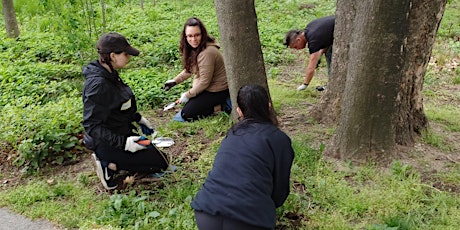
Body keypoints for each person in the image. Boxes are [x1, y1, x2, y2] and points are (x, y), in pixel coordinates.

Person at [191, 84, 295, 230]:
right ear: (269, 105)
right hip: (249, 218)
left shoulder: (232, 134)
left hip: (205, 212)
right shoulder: (279, 139)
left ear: (239, 111)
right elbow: (280, 190)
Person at [82, 32, 169, 190]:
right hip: (108, 142)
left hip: (121, 131)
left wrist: (137, 118)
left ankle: (115, 162)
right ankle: (107, 163)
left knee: (161, 157)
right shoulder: (98, 85)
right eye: (125, 54)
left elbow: (117, 105)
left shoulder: (110, 74)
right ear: (113, 56)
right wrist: (123, 143)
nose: (129, 57)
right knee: (161, 163)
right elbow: (91, 126)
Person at [163, 17, 230, 122]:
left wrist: (187, 94)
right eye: (190, 36)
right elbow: (189, 69)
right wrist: (175, 81)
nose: (193, 40)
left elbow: (204, 82)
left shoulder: (207, 52)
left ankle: (222, 107)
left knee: (187, 114)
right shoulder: (196, 48)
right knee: (190, 108)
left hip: (217, 90)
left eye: (197, 35)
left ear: (202, 34)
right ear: (185, 37)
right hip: (207, 87)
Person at [284, 15, 335, 91]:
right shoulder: (309, 29)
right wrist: (319, 55)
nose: (297, 49)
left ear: (298, 40)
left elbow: (311, 67)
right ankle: (332, 83)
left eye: (295, 47)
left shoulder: (313, 40)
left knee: (331, 56)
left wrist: (305, 84)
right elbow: (326, 41)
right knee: (328, 52)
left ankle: (333, 85)